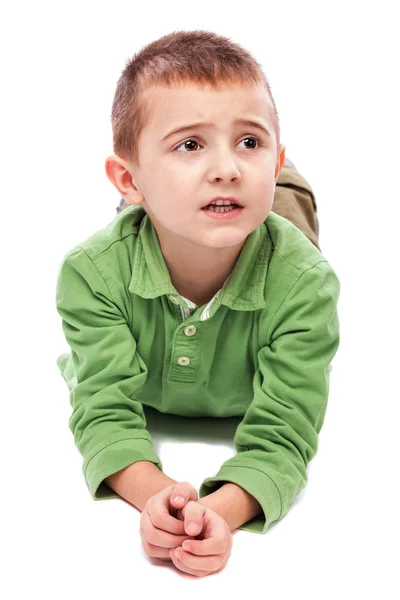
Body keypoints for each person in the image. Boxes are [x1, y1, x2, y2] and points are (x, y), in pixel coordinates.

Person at [55, 30, 340, 577]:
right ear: (126, 175)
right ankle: (153, 195)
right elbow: (103, 410)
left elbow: (286, 434)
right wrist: (159, 496)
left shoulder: (306, 285)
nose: (227, 166)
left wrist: (220, 510)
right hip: (148, 215)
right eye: (191, 143)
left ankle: (268, 177)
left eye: (250, 142)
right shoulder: (89, 276)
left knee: (281, 207)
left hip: (275, 225)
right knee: (163, 214)